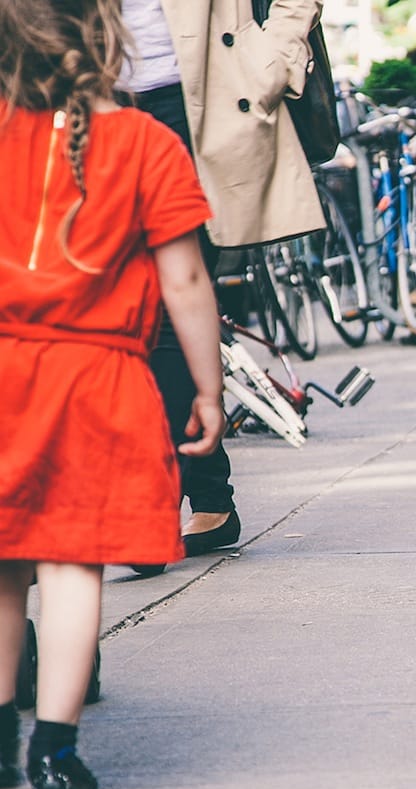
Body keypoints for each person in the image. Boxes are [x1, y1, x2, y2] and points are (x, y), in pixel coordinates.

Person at [0, 0, 224, 789]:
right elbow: (186, 280)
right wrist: (207, 388)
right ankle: (54, 753)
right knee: (71, 563)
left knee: (2, 565)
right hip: (99, 378)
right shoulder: (145, 144)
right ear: (109, 38)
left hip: (6, 373)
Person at [116, 0, 325, 568]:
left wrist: (272, 61)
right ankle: (208, 497)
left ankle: (150, 503)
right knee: (121, 310)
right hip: (87, 101)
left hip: (195, 101)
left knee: (165, 302)